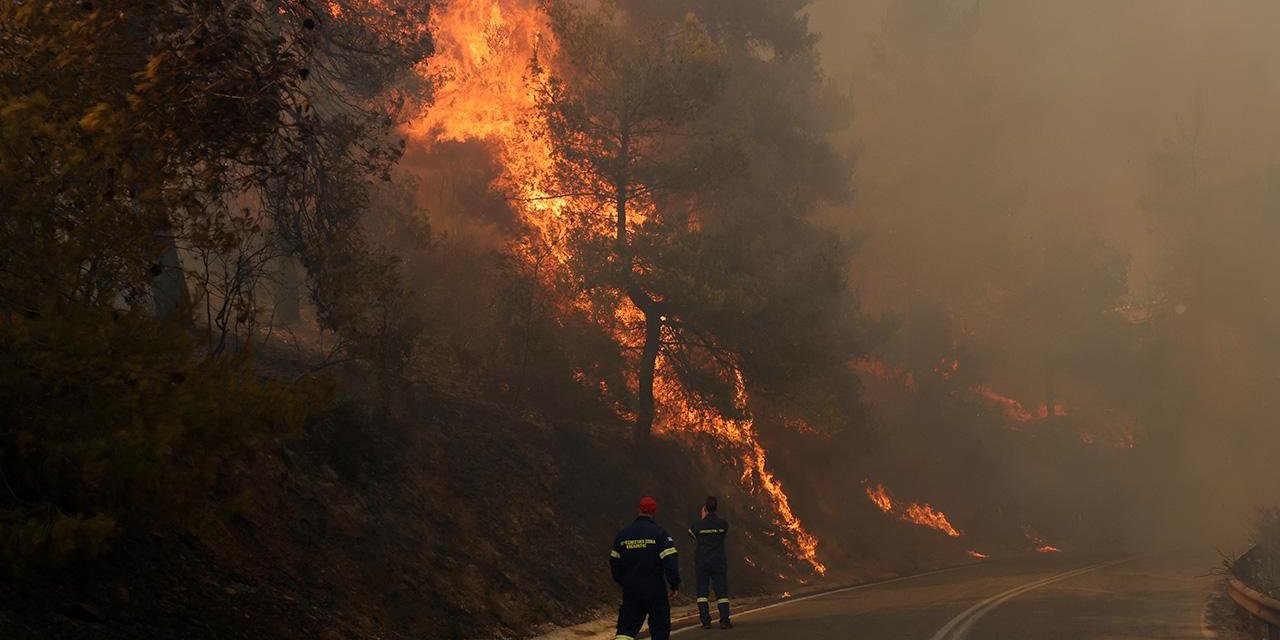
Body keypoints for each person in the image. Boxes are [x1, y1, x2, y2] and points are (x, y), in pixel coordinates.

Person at [610, 496, 680, 640]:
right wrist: (674, 585)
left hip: (632, 591)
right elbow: (671, 563)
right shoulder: (660, 535)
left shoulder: (622, 536)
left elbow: (614, 564)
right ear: (654, 512)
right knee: (659, 630)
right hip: (655, 591)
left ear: (638, 510)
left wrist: (624, 582)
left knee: (625, 630)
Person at [688, 495, 732, 629]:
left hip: (702, 561)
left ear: (705, 508)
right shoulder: (723, 524)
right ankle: (724, 620)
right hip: (718, 561)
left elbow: (692, 535)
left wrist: (703, 519)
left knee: (702, 593)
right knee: (721, 592)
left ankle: (705, 621)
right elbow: (724, 534)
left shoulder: (697, 525)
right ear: (716, 508)